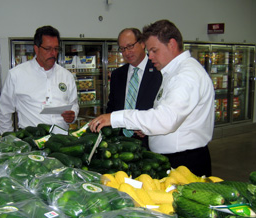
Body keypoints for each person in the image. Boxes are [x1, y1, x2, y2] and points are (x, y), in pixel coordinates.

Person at [89, 19, 215, 177]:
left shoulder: (186, 76)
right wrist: (148, 129)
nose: (151, 56)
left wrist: (115, 117)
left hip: (185, 161)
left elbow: (166, 119)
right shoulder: (171, 73)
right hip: (171, 158)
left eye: (154, 50)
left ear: (172, 44)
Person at [0, 25, 79, 135]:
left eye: (56, 49)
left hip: (61, 140)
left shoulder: (67, 76)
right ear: (36, 48)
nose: (53, 53)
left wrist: (73, 114)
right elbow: (4, 111)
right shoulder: (16, 74)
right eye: (48, 49)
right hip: (31, 140)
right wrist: (10, 140)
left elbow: (74, 103)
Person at [107, 28, 162, 149]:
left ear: (142, 44)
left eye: (130, 46)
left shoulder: (159, 72)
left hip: (150, 144)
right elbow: (112, 107)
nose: (127, 52)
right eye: (122, 49)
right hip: (121, 145)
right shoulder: (117, 75)